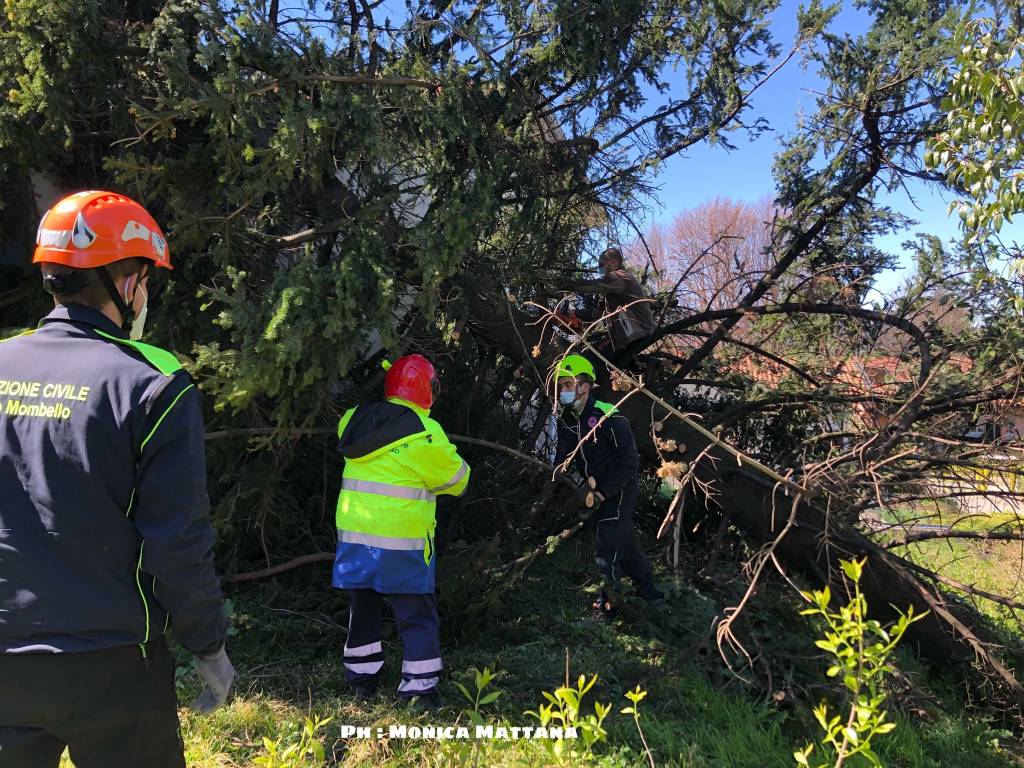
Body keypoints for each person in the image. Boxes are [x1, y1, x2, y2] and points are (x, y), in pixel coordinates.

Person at [0, 191, 233, 768]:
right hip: (113, 662)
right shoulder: (152, 385)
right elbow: (177, 540)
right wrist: (207, 643)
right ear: (123, 280)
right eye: (145, 277)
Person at [333, 354, 470, 710]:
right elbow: (458, 480)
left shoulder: (353, 420)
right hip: (402, 546)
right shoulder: (425, 432)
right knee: (416, 616)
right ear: (428, 390)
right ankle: (419, 690)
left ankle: (361, 684)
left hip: (356, 541)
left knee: (361, 611)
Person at [552, 354, 663, 622]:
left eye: (568, 385)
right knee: (623, 542)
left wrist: (603, 492)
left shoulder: (609, 417)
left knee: (607, 545)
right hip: (596, 490)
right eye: (561, 387)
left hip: (620, 488)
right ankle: (652, 595)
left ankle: (605, 609)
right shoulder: (567, 420)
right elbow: (564, 458)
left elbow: (629, 463)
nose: (564, 392)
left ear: (585, 385)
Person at [558, 247, 656, 390]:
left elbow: (596, 285)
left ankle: (597, 391)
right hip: (635, 332)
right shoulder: (615, 287)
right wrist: (575, 313)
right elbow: (598, 313)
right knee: (612, 360)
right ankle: (645, 366)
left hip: (634, 331)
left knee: (591, 355)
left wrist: (567, 283)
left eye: (602, 265)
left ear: (614, 262)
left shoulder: (620, 277)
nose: (600, 269)